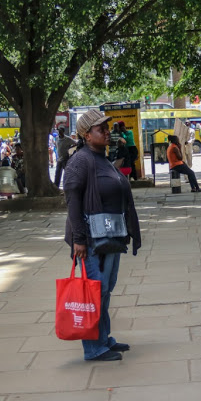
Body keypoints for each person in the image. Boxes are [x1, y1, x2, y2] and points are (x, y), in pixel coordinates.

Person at [63, 110, 141, 362]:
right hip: (90, 240)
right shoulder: (80, 161)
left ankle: (104, 338)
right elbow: (72, 201)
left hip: (110, 234)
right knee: (94, 291)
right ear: (86, 135)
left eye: (106, 127)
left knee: (105, 290)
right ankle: (94, 348)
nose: (107, 131)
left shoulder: (102, 158)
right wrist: (78, 240)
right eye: (101, 128)